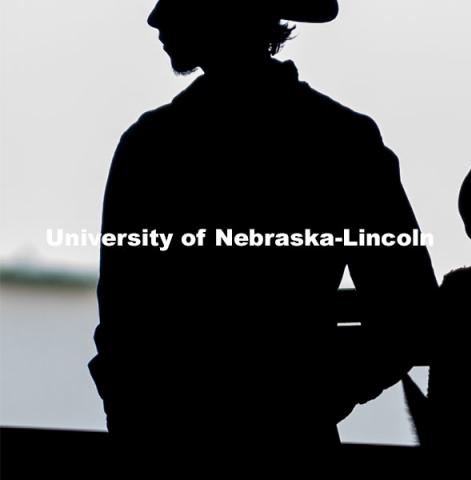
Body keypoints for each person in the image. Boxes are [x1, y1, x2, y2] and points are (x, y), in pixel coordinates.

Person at [88, 1, 438, 474]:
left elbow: (121, 332)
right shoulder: (343, 140)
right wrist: (312, 396)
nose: (155, 18)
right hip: (292, 449)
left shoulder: (149, 147)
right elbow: (409, 315)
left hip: (167, 451)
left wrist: (140, 429)